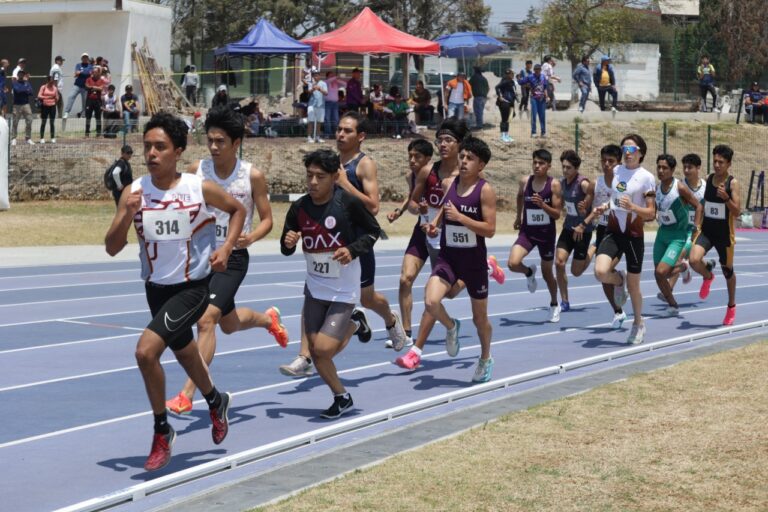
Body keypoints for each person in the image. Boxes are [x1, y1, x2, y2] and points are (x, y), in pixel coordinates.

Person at [104, 112, 245, 471]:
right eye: (147, 146)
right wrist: (125, 215)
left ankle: (162, 430)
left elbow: (238, 210)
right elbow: (111, 247)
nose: (151, 153)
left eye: (160, 147)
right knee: (185, 354)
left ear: (178, 151)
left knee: (145, 352)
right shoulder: (133, 192)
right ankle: (216, 401)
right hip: (156, 289)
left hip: (193, 287)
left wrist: (227, 247)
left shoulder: (198, 188)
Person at [165, 107, 288, 415]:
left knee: (206, 320)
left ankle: (187, 392)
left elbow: (268, 220)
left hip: (232, 258)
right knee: (229, 324)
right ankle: (267, 320)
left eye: (221, 141)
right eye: (210, 140)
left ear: (236, 143)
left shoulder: (252, 176)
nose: (214, 147)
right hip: (200, 258)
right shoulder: (197, 170)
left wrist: (251, 237)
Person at [279, 111, 407, 376]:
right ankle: (304, 356)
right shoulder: (328, 161)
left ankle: (389, 320)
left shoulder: (363, 164)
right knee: (311, 295)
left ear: (361, 136)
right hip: (325, 246)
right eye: (338, 129)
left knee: (367, 298)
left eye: (347, 131)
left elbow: (373, 207)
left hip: (355, 246)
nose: (340, 134)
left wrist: (345, 183)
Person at [281, 149, 381, 418]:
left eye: (320, 177)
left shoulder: (347, 203)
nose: (313, 182)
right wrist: (289, 242)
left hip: (343, 289)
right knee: (315, 352)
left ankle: (354, 322)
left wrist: (352, 250)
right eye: (309, 176)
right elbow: (286, 245)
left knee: (323, 349)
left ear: (334, 177)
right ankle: (342, 396)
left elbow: (373, 232)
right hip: (315, 288)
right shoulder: (299, 207)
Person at [395, 137, 498, 383]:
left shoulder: (485, 190)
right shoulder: (449, 183)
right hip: (448, 257)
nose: (463, 161)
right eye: (462, 156)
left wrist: (462, 219)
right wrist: (434, 225)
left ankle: (485, 358)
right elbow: (444, 209)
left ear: (481, 165)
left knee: (480, 319)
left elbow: (490, 230)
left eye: (470, 158)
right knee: (431, 301)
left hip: (474, 262)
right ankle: (451, 326)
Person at [593, 134, 656, 344]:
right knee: (600, 272)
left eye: (631, 150)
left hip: (633, 234)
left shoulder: (646, 177)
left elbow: (651, 213)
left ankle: (638, 323)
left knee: (635, 285)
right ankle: (619, 280)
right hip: (613, 229)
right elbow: (616, 196)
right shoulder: (616, 171)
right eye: (624, 149)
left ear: (641, 153)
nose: (627, 154)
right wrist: (606, 206)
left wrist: (633, 207)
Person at [385, 139, 434, 348]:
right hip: (421, 231)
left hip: (445, 235)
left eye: (417, 157)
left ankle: (481, 267)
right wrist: (401, 210)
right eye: (410, 156)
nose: (412, 160)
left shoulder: (444, 177)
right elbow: (412, 197)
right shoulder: (410, 176)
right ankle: (406, 333)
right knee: (405, 280)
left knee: (449, 290)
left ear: (428, 159)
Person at [572, 144, 628, 328]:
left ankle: (620, 279)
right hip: (603, 231)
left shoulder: (624, 183)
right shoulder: (597, 184)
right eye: (603, 160)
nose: (606, 164)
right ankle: (618, 311)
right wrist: (583, 208)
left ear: (619, 162)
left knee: (604, 272)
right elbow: (588, 205)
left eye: (611, 161)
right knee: (601, 275)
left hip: (621, 231)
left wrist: (584, 222)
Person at [507, 149, 562, 322]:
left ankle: (554, 304)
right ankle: (529, 271)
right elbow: (519, 196)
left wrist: (543, 206)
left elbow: (557, 214)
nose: (537, 166)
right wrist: (518, 216)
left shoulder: (554, 185)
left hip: (546, 235)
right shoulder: (525, 182)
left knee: (547, 274)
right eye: (535, 162)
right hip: (528, 232)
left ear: (548, 166)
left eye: (541, 163)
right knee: (512, 263)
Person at [689, 145, 741, 326]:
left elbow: (737, 212)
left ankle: (731, 305)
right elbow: (703, 204)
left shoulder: (732, 183)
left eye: (721, 162)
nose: (717, 165)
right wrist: (697, 225)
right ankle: (708, 276)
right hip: (707, 231)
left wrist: (726, 198)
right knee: (694, 260)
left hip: (724, 236)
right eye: (715, 161)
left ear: (729, 164)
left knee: (728, 271)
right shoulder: (709, 179)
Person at [652, 154, 703, 316]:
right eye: (659, 167)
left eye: (665, 168)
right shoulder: (656, 188)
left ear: (673, 170)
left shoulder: (679, 187)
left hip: (677, 236)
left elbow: (698, 206)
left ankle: (683, 266)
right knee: (658, 274)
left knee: (661, 272)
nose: (661, 170)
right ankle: (673, 305)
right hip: (661, 235)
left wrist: (696, 226)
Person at [554, 150, 593, 313]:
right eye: (563, 167)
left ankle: (594, 248)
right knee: (559, 262)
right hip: (568, 228)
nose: (565, 171)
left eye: (568, 168)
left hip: (583, 231)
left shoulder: (583, 184)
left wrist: (584, 220)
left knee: (576, 272)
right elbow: (561, 204)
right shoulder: (562, 183)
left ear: (576, 168)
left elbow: (596, 200)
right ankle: (564, 301)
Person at [662, 153, 705, 297]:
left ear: (698, 168)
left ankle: (669, 291)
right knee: (681, 257)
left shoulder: (705, 187)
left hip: (697, 230)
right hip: (681, 229)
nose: (686, 170)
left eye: (690, 167)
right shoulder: (680, 186)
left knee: (680, 257)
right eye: (684, 167)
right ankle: (696, 268)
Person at [518, 63, 549, 138]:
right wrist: (519, 78)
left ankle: (543, 132)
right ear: (534, 70)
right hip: (534, 98)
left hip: (542, 99)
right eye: (536, 69)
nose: (537, 71)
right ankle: (533, 132)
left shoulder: (543, 77)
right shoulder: (530, 76)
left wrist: (547, 96)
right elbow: (521, 82)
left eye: (539, 69)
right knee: (534, 115)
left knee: (542, 116)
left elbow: (545, 88)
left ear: (540, 70)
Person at [63, 53, 92, 126]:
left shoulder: (90, 66)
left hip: (85, 87)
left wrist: (81, 72)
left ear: (88, 59)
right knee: (71, 96)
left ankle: (83, 114)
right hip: (77, 85)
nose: (85, 58)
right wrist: (83, 73)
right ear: (81, 58)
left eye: (86, 57)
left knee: (85, 101)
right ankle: (66, 112)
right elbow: (76, 73)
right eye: (83, 57)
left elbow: (90, 73)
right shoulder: (78, 65)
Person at [10, 70, 34, 146]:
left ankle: (28, 138)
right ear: (18, 75)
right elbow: (17, 90)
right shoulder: (15, 83)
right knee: (15, 122)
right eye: (20, 74)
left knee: (29, 120)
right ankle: (13, 138)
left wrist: (25, 88)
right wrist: (25, 89)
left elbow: (31, 92)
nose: (21, 75)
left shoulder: (27, 83)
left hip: (26, 105)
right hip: (17, 105)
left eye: (22, 74)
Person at [495, 68, 517, 143]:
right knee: (504, 119)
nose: (512, 75)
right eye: (511, 74)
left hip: (510, 103)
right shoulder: (505, 80)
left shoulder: (511, 81)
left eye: (512, 74)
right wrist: (500, 96)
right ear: (507, 75)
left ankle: (506, 135)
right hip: (504, 102)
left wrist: (516, 98)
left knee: (508, 119)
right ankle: (502, 136)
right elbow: (497, 87)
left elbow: (512, 91)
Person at [37, 75, 60, 144]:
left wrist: (56, 98)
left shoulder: (55, 88)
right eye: (50, 81)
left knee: (52, 123)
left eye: (53, 81)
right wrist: (48, 97)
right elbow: (39, 96)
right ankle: (42, 138)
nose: (52, 83)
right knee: (43, 122)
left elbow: (57, 96)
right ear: (48, 81)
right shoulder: (43, 87)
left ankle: (52, 137)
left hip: (52, 106)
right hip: (45, 106)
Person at [84, 66, 106, 137]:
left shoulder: (101, 80)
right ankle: (87, 132)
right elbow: (86, 86)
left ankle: (98, 132)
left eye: (96, 72)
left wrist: (93, 87)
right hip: (89, 100)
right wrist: (94, 87)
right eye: (93, 72)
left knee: (98, 117)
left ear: (99, 73)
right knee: (88, 117)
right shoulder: (88, 79)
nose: (94, 73)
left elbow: (101, 88)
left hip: (97, 100)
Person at [323, 70, 346, 139]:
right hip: (328, 103)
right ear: (327, 77)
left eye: (333, 75)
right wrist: (335, 77)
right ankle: (327, 134)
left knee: (336, 119)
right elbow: (329, 81)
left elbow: (345, 84)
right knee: (327, 118)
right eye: (331, 75)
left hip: (335, 103)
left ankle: (335, 133)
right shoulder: (325, 82)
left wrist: (338, 80)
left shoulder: (335, 83)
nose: (332, 77)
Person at [306, 70, 326, 143]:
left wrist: (320, 89)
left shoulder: (323, 83)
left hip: (321, 105)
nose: (315, 76)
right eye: (314, 75)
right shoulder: (311, 83)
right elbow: (308, 92)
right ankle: (309, 137)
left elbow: (326, 93)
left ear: (319, 76)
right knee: (310, 121)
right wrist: (313, 88)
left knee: (319, 122)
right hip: (311, 105)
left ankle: (317, 137)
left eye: (317, 75)